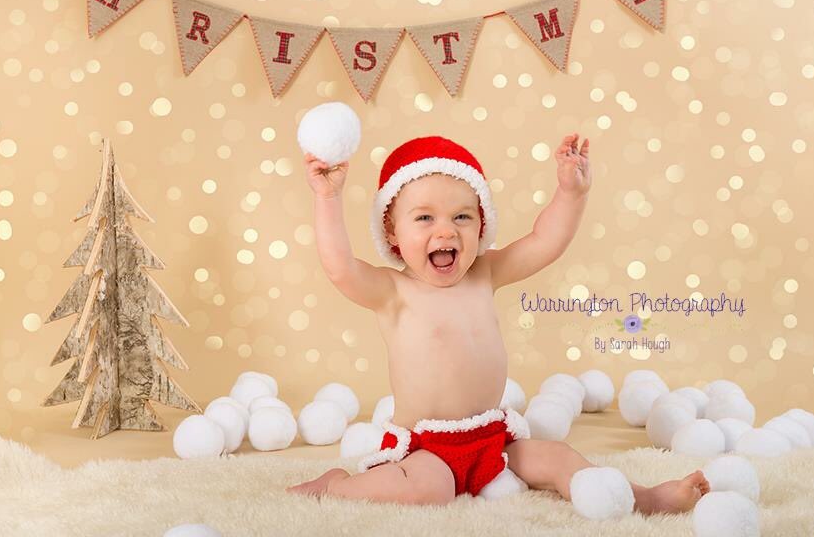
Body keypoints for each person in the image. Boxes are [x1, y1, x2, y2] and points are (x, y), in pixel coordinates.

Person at [287, 133, 709, 512]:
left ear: (481, 223)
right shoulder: (393, 292)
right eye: (424, 218)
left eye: (462, 217)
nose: (446, 232)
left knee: (560, 459)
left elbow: (544, 242)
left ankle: (646, 497)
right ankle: (338, 486)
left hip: (492, 437)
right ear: (392, 232)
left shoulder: (484, 273)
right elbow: (340, 268)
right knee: (428, 489)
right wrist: (327, 198)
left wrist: (570, 194)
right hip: (428, 448)